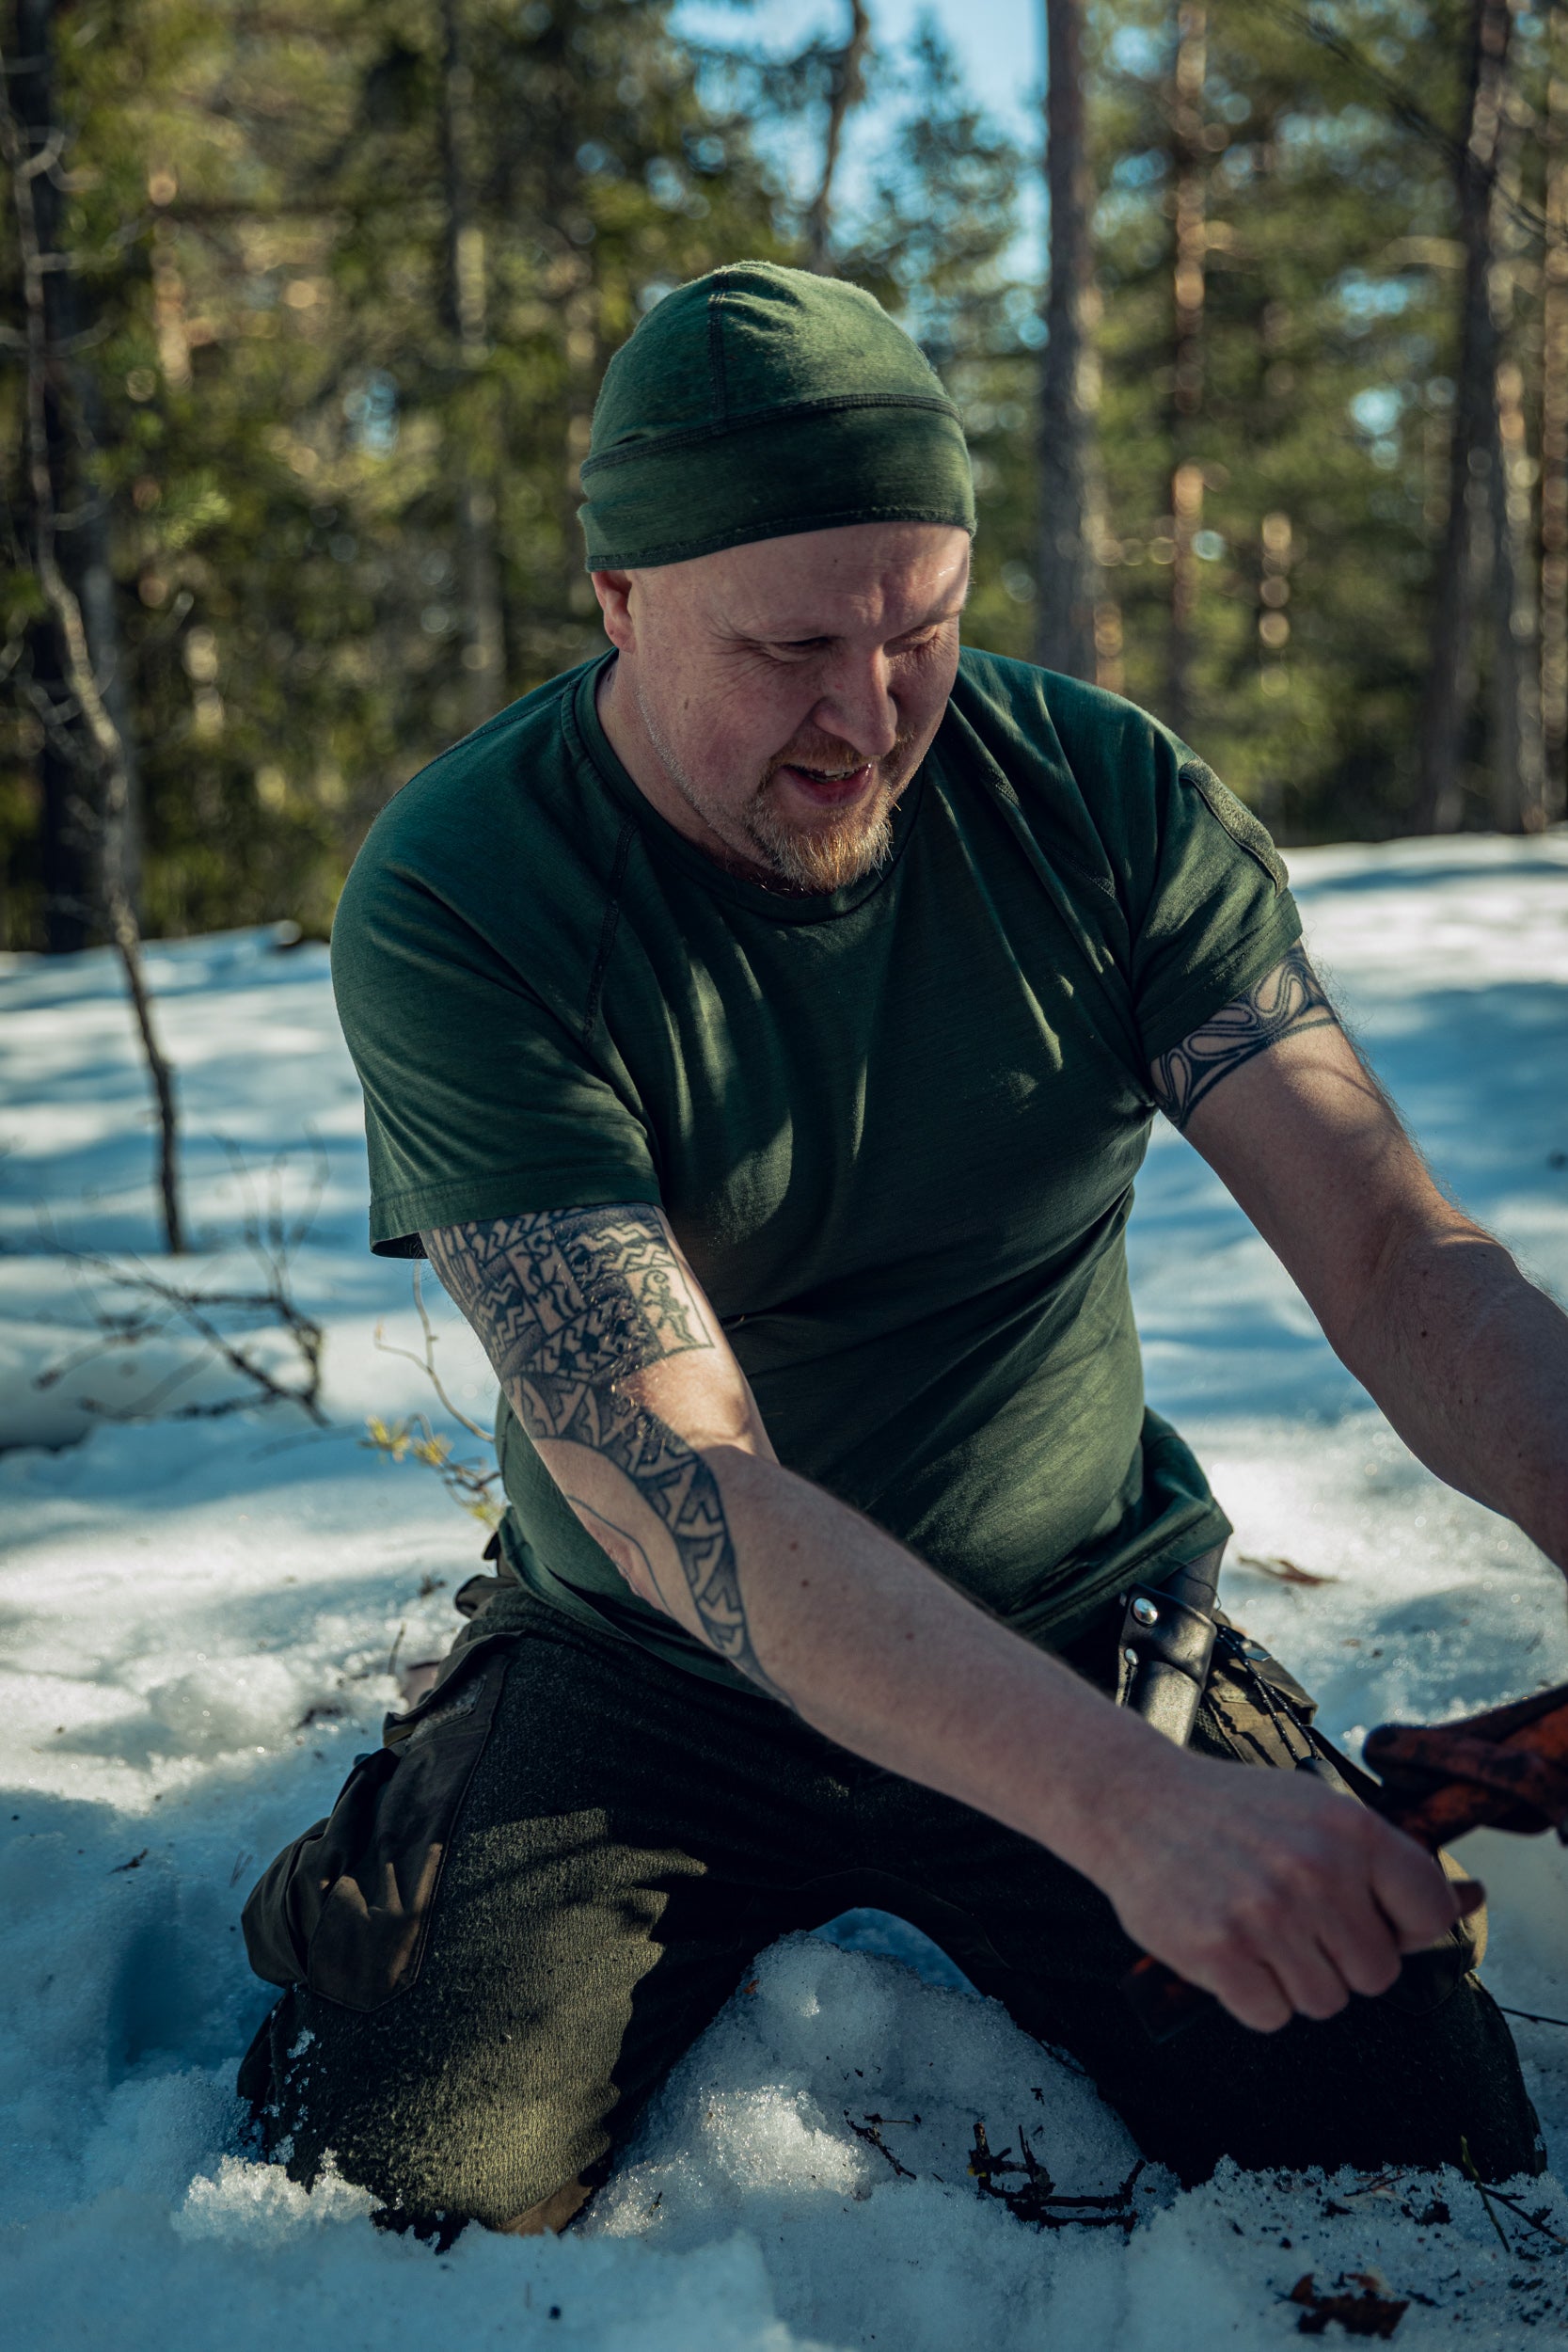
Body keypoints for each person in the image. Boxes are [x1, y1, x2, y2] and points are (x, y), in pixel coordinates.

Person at [239, 262, 1562, 2239]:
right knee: (404, 2189)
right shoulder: (470, 891)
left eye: (920, 628)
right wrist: (1137, 1808)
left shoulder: (1102, 801)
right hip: (654, 1661)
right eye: (785, 648)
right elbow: (689, 1472)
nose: (867, 718)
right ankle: (402, 1863)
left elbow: (1387, 1250)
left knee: (1418, 2153)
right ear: (618, 602)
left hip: (1078, 1610)